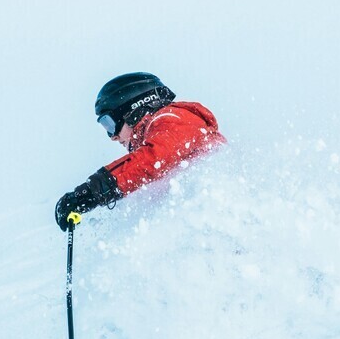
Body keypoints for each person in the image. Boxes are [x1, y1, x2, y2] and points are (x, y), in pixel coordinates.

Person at [55, 72, 226, 230]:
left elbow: (152, 159)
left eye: (110, 124)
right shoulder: (161, 132)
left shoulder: (173, 118)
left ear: (133, 110)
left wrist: (92, 192)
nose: (112, 137)